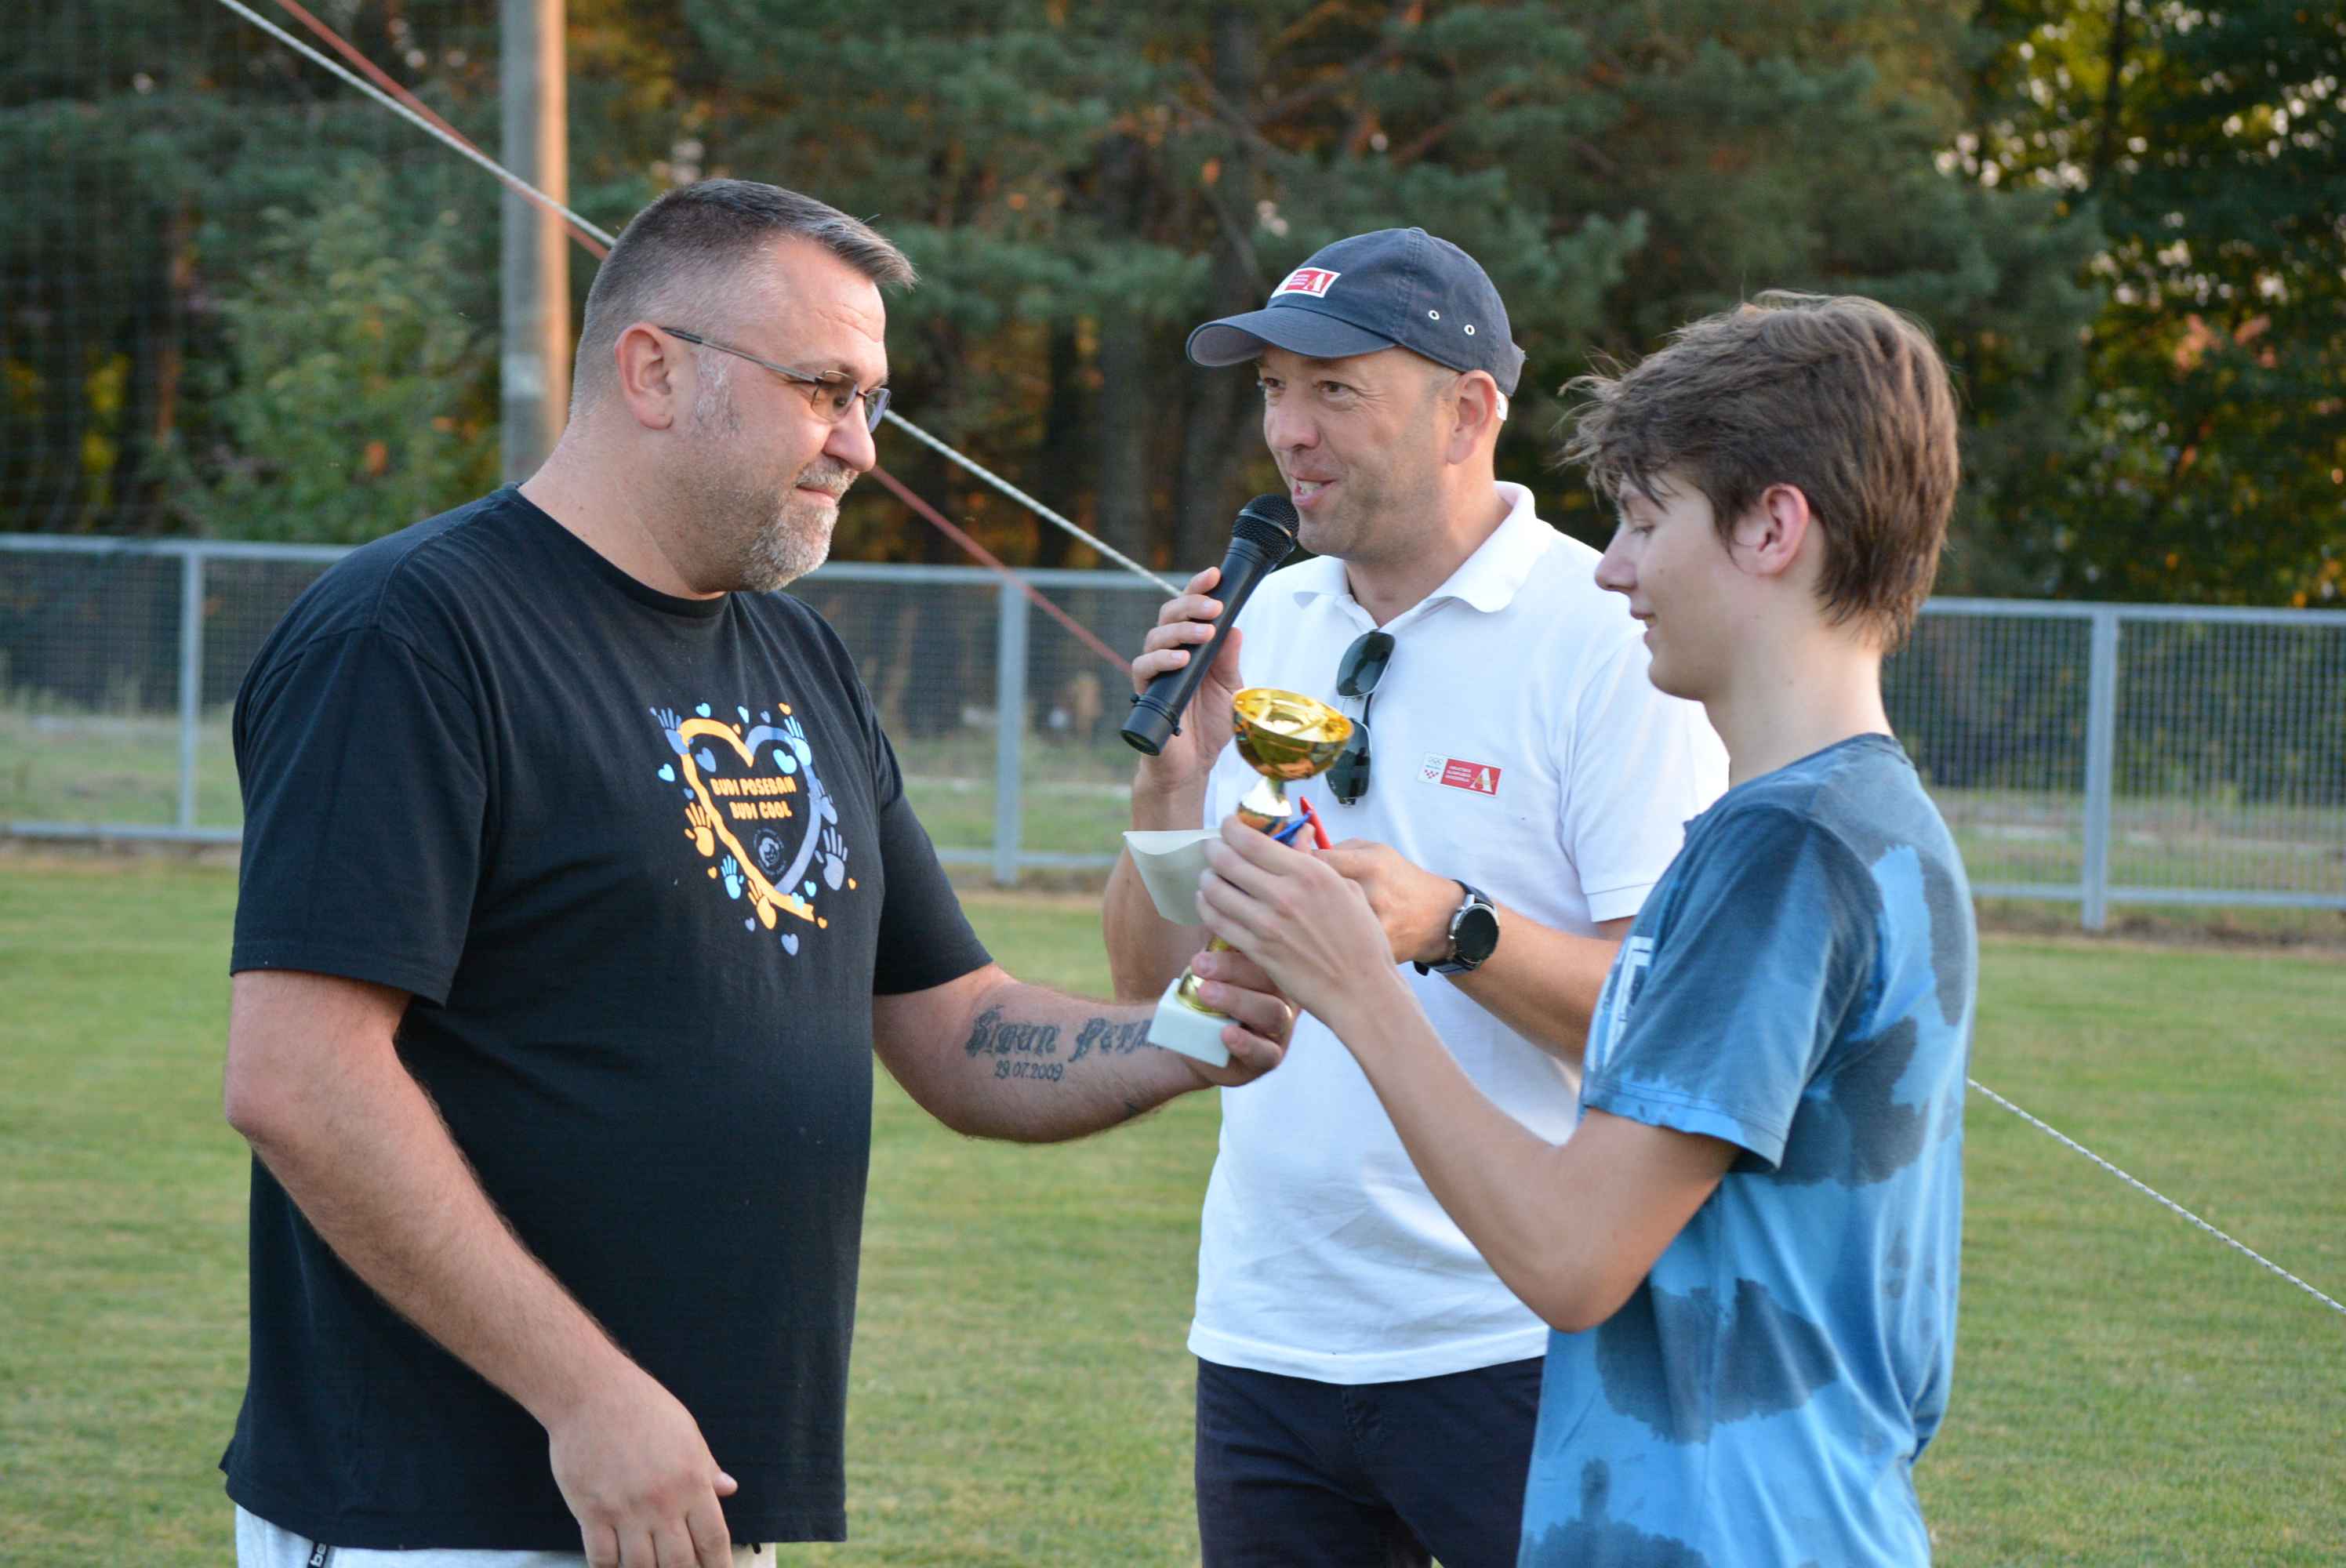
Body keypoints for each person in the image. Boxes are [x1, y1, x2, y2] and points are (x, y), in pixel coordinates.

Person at [219, 179, 1295, 1568]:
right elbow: (302, 1077)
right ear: (655, 369)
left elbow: (957, 1025)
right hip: (451, 1506)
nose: (859, 446)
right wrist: (588, 1396)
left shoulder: (801, 664)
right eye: (824, 389)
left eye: (874, 401)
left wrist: (1193, 1030)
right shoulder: (411, 635)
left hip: (702, 1499)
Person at [1193, 292, 1978, 1566]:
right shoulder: (1823, 822)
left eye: (1646, 521)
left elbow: (1570, 1257)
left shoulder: (1791, 849)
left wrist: (1366, 985)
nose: (1611, 568)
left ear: (1775, 528)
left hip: (1736, 1528)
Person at [1101, 227, 1726, 1567]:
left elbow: (1664, 1020)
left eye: (1335, 390)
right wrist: (1174, 784)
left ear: (1469, 411)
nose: (1288, 433)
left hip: (1513, 1339)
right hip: (1266, 1335)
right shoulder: (1266, 614)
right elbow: (1149, 989)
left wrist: (1450, 927)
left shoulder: (1611, 634)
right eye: (1272, 389)